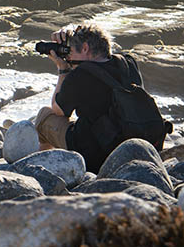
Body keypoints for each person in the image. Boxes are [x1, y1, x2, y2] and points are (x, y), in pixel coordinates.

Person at [34, 24, 143, 173]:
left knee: (44, 115)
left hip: (93, 156)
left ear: (85, 48)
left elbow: (58, 110)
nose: (69, 57)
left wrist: (63, 69)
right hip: (131, 145)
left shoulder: (80, 75)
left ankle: (40, 166)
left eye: (70, 51)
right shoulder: (128, 63)